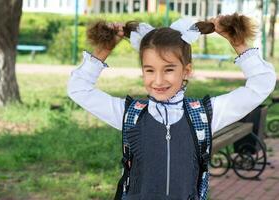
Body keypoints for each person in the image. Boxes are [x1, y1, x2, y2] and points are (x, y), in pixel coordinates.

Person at [67, 13, 276, 200]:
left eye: (168, 69)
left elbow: (262, 83)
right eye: (149, 70)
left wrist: (237, 42)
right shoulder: (130, 114)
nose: (158, 81)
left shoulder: (205, 115)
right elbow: (78, 88)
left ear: (186, 71)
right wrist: (103, 50)